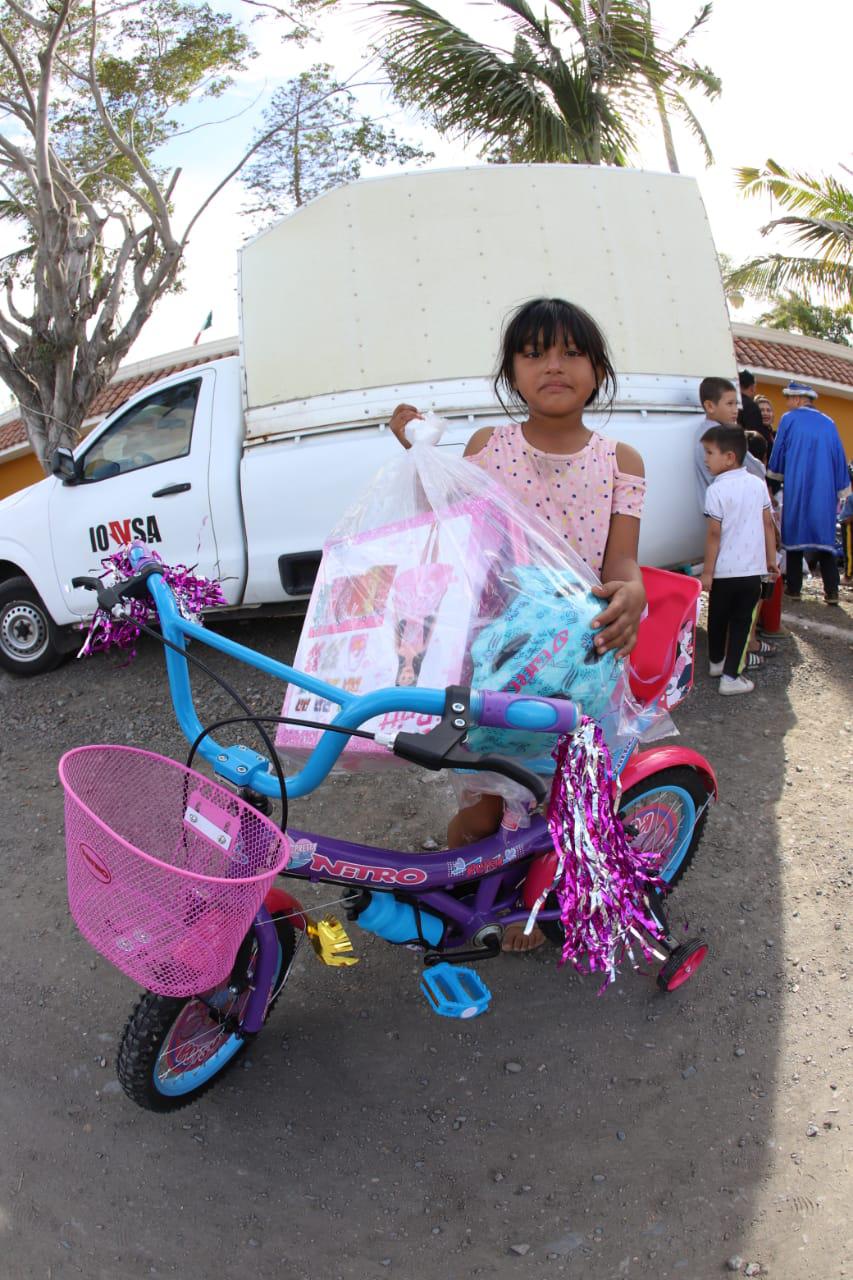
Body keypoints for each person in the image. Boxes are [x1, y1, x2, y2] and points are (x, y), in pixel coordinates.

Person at [389, 296, 646, 951]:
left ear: (598, 369)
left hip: (581, 667)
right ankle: (462, 908)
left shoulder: (622, 461)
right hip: (497, 663)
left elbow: (621, 563)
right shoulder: (485, 448)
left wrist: (633, 596)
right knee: (479, 811)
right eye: (533, 353)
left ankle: (536, 907)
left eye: (569, 352)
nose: (552, 366)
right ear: (510, 373)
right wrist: (418, 453)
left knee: (563, 806)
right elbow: (447, 533)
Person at [700, 425, 778, 696]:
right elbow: (768, 524)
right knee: (742, 623)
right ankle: (731, 676)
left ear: (730, 457)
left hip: (722, 572)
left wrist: (707, 572)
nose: (706, 459)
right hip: (750, 572)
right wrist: (771, 559)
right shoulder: (757, 485)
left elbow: (713, 533)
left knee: (717, 618)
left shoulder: (715, 490)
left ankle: (716, 663)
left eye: (710, 453)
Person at [768, 381, 850, 605]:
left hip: (798, 487)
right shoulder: (829, 423)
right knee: (824, 541)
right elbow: (839, 458)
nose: (787, 403)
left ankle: (794, 589)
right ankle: (832, 592)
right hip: (824, 491)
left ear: (796, 399)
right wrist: (842, 486)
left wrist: (773, 478)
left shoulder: (788, 419)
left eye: (788, 399)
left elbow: (779, 452)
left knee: (794, 537)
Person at [695, 377, 766, 514]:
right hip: (730, 514)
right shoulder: (725, 436)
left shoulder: (701, 433)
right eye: (729, 404)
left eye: (736, 404)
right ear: (710, 406)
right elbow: (758, 471)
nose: (735, 410)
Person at [738, 370, 774, 449]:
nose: (765, 413)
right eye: (761, 410)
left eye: (768, 410)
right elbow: (755, 439)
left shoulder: (732, 403)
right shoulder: (751, 406)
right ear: (752, 387)